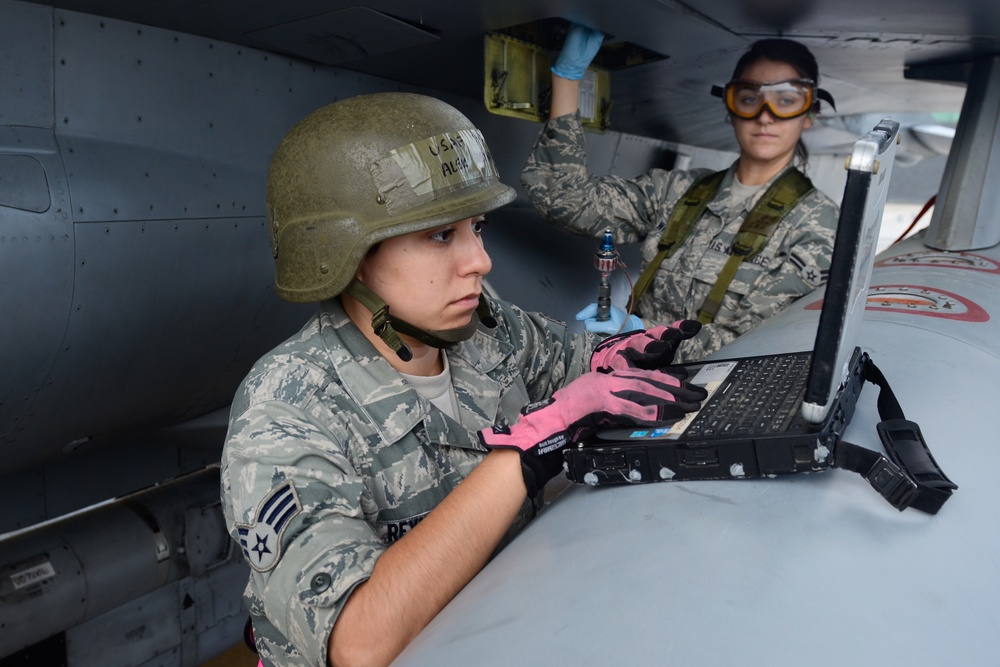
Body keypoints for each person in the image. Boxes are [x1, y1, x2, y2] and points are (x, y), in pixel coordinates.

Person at [220, 92, 707, 667]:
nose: (480, 261)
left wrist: (615, 358)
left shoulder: (482, 332)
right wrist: (527, 452)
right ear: (345, 256)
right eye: (440, 235)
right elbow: (360, 642)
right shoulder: (284, 412)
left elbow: (572, 363)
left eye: (476, 228)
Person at [521, 24, 841, 362]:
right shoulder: (677, 192)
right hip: (626, 382)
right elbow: (564, 199)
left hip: (712, 401)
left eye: (786, 102)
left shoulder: (818, 225)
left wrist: (642, 332)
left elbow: (758, 344)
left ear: (809, 115)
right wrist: (568, 80)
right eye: (749, 99)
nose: (765, 117)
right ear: (731, 109)